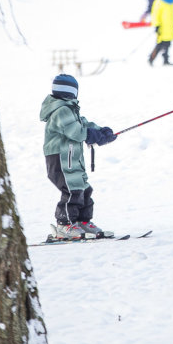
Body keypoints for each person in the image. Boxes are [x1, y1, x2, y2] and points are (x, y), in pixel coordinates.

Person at [40, 74, 118, 240]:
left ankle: (82, 221)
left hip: (71, 157)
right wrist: (91, 135)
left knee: (83, 188)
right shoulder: (60, 111)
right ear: (72, 92)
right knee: (71, 190)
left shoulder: (69, 109)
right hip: (60, 158)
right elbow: (76, 131)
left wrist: (101, 131)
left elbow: (83, 124)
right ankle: (64, 225)